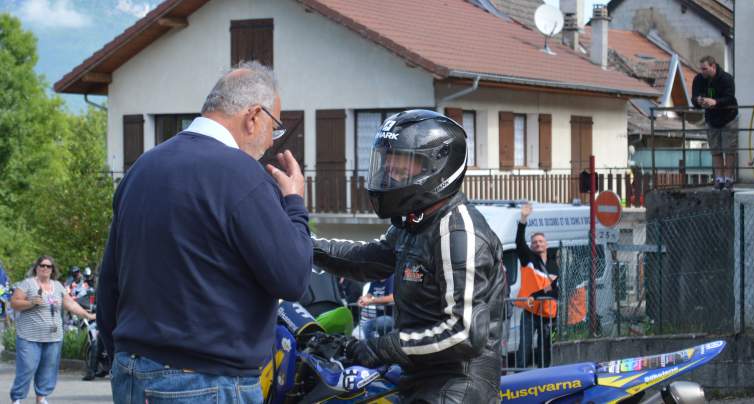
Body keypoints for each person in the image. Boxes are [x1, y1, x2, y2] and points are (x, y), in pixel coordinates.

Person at [96, 61, 313, 404]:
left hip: (134, 371)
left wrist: (124, 354)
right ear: (253, 116)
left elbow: (109, 281)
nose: (272, 142)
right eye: (275, 127)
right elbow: (292, 278)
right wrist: (295, 204)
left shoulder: (143, 167)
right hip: (206, 379)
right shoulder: (241, 174)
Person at [313, 110, 505, 403]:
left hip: (458, 383)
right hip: (418, 376)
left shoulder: (456, 231)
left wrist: (381, 348)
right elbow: (367, 260)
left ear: (437, 165)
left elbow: (465, 333)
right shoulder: (413, 223)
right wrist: (304, 247)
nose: (390, 168)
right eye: (387, 159)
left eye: (402, 160)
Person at [9, 256, 96, 404]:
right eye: (42, 265)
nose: (45, 268)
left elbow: (71, 305)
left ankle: (41, 397)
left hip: (53, 337)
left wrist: (88, 315)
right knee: (27, 368)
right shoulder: (27, 284)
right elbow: (14, 303)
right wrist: (30, 303)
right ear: (36, 267)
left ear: (52, 270)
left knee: (48, 369)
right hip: (29, 337)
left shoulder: (58, 286)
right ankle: (17, 398)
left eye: (48, 266)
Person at [515, 203, 558, 368]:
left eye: (541, 241)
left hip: (548, 314)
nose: (538, 244)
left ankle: (542, 378)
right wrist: (523, 219)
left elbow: (556, 289)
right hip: (530, 312)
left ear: (546, 244)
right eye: (534, 242)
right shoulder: (529, 259)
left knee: (544, 349)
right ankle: (519, 378)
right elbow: (519, 241)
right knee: (524, 350)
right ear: (532, 246)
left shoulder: (554, 265)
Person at [691, 55, 738, 190]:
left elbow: (729, 98)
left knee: (729, 149)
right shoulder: (699, 79)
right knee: (715, 150)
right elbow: (694, 97)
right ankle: (719, 179)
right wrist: (698, 101)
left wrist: (715, 102)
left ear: (713, 66)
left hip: (729, 118)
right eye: (701, 69)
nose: (702, 72)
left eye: (705, 69)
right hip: (711, 119)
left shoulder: (726, 78)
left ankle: (728, 178)